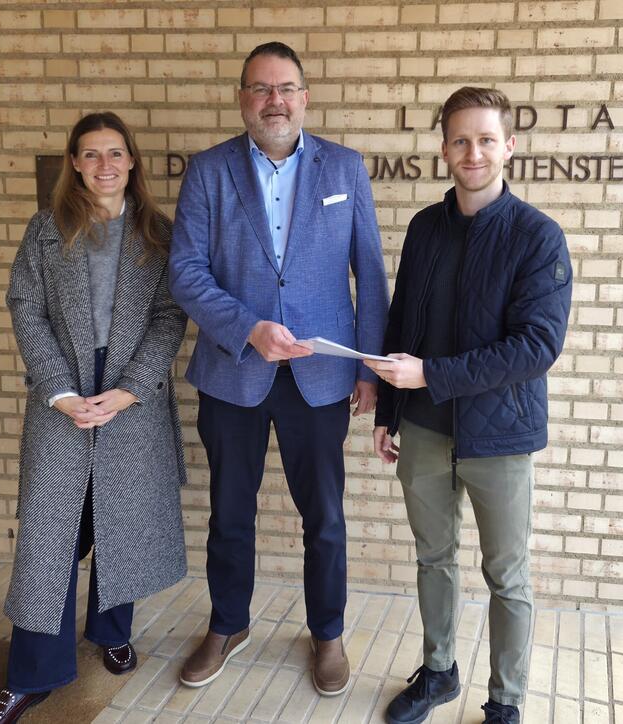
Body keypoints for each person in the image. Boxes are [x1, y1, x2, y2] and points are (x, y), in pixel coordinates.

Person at [169, 42, 388, 696]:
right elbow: (185, 272)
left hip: (320, 378)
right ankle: (228, 624)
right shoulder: (208, 172)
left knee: (323, 516)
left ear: (305, 97)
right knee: (229, 512)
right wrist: (247, 329)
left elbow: (370, 277)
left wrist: (369, 369)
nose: (274, 101)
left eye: (286, 88)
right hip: (234, 371)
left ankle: (327, 633)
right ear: (242, 100)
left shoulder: (344, 168)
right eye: (261, 89)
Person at [364, 87, 572, 724]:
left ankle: (505, 700)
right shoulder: (426, 226)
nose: (472, 152)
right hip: (423, 429)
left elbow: (536, 346)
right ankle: (438, 671)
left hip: (500, 436)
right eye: (460, 140)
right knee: (433, 558)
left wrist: (430, 373)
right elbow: (404, 319)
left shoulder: (538, 237)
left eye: (486, 139)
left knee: (507, 576)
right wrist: (387, 414)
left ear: (509, 146)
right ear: (443, 148)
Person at [0, 112, 189, 724]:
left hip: (130, 397)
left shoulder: (158, 232)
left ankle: (111, 631)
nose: (104, 166)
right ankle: (31, 674)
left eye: (115, 154)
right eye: (90, 154)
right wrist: (61, 391)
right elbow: (25, 306)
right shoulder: (46, 230)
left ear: (131, 162)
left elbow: (171, 317)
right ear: (73, 162)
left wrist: (129, 389)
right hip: (59, 395)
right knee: (51, 535)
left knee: (118, 518)